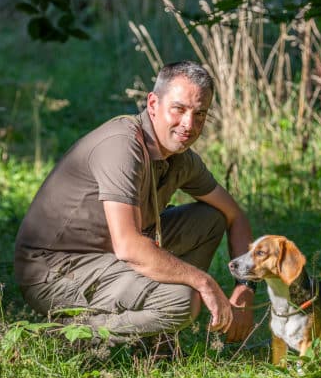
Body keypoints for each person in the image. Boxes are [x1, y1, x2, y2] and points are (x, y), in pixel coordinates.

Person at [14, 60, 255, 348]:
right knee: (183, 301)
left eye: (200, 113)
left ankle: (158, 339)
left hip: (108, 258)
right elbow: (128, 246)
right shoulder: (123, 146)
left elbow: (233, 215)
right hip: (54, 271)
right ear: (153, 103)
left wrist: (245, 288)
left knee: (211, 218)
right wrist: (203, 282)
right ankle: (72, 337)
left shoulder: (179, 156)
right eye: (178, 109)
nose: (189, 125)